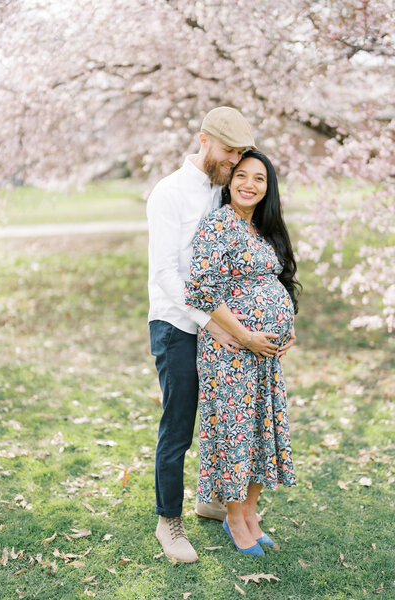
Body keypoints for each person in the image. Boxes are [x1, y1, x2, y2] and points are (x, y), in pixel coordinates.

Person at [147, 108, 295, 563]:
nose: (235, 164)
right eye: (230, 154)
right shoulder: (168, 193)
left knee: (233, 418)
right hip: (177, 323)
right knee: (180, 426)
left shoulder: (223, 189)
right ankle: (168, 523)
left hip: (226, 330)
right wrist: (212, 318)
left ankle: (216, 501)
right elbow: (168, 273)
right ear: (204, 140)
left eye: (239, 156)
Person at [184, 149, 300, 556]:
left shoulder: (263, 230)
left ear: (268, 189)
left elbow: (280, 284)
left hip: (265, 356)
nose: (249, 185)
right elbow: (201, 289)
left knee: (261, 433)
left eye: (260, 179)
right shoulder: (219, 224)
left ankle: (251, 513)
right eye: (242, 176)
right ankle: (233, 518)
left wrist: (287, 331)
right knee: (237, 432)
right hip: (231, 353)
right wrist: (248, 335)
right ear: (230, 182)